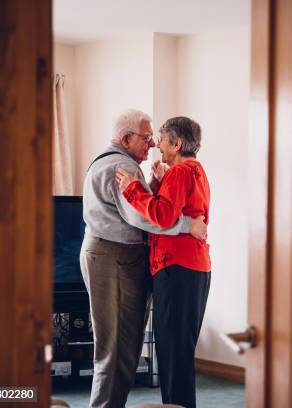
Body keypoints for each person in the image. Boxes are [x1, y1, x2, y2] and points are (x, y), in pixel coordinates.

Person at [80, 109, 207, 408]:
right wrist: (190, 226)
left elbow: (151, 208)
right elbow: (147, 217)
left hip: (122, 257)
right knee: (117, 350)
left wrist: (150, 185)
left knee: (126, 347)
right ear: (125, 138)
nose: (152, 145)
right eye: (148, 137)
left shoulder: (112, 161)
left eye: (157, 138)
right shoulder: (121, 168)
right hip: (115, 258)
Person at [116, 116, 211, 408]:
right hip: (193, 268)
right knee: (180, 352)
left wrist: (132, 188)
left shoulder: (180, 173)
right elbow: (174, 208)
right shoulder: (195, 171)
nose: (157, 144)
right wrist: (160, 181)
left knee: (172, 354)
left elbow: (162, 216)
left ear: (177, 143)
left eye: (162, 138)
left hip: (176, 268)